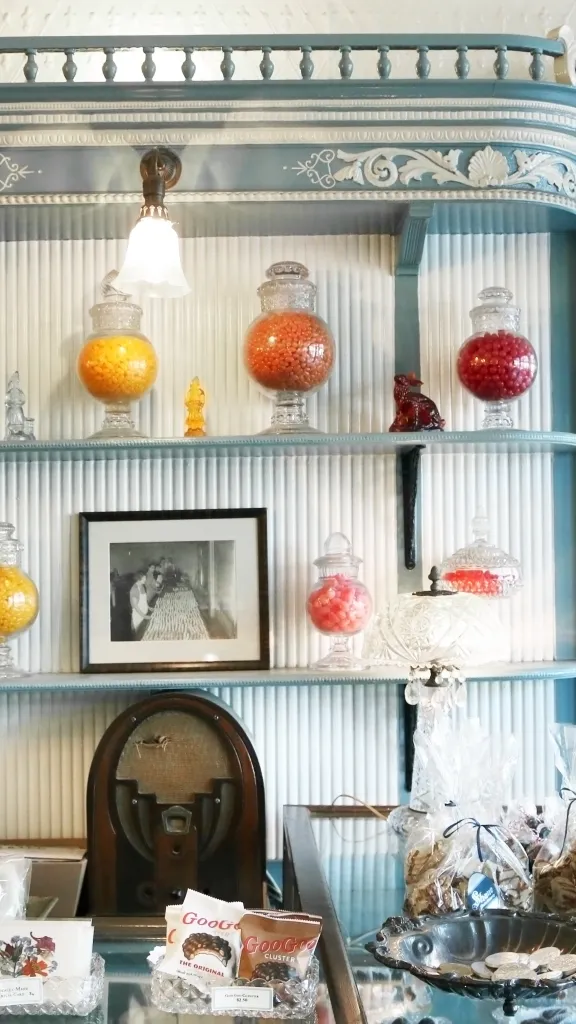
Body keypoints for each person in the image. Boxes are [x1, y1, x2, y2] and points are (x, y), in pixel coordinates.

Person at [130, 571, 150, 639]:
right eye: (144, 578)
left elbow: (144, 600)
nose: (145, 580)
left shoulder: (142, 586)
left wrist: (149, 608)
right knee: (140, 636)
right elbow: (135, 606)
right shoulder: (134, 589)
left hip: (144, 613)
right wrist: (144, 616)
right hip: (138, 617)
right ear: (139, 579)